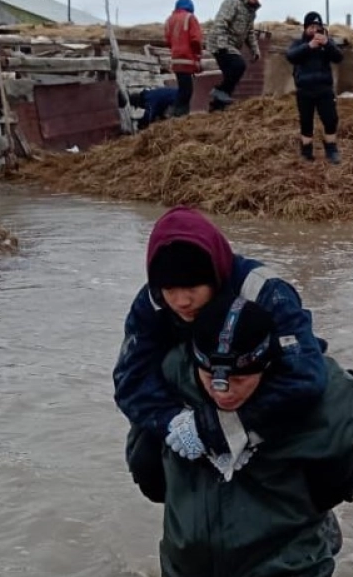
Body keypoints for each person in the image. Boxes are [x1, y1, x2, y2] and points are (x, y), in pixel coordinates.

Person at [140, 292, 353, 577]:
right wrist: (163, 489)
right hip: (190, 572)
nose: (223, 391)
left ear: (267, 364)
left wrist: (330, 490)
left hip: (286, 567)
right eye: (210, 376)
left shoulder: (310, 392)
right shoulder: (170, 381)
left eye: (239, 380)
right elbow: (143, 444)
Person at [114, 206, 330, 508]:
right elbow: (130, 380)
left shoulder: (266, 292)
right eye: (171, 289)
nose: (182, 301)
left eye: (192, 287)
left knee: (320, 464)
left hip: (262, 393)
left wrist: (220, 428)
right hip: (192, 395)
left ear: (214, 276)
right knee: (146, 465)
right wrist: (176, 423)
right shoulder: (152, 302)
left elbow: (305, 375)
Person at [285, 11, 344, 164]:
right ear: (305, 28)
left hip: (324, 89)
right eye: (311, 27)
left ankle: (331, 149)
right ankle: (306, 151)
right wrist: (309, 46)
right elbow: (290, 56)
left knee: (331, 120)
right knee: (306, 122)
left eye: (317, 27)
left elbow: (339, 57)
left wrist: (327, 44)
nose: (314, 30)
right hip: (304, 90)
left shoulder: (327, 43)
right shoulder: (298, 43)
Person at [205, 0, 263, 111]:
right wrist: (222, 45)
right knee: (239, 65)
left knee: (231, 75)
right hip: (219, 42)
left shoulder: (251, 11)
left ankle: (217, 107)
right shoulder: (234, 2)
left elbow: (249, 32)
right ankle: (218, 91)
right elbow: (221, 22)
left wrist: (255, 50)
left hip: (232, 45)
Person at [165, 0, 204, 118]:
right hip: (188, 59)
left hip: (176, 60)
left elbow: (168, 41)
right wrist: (198, 57)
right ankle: (177, 114)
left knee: (183, 88)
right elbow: (196, 40)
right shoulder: (190, 18)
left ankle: (178, 114)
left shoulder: (169, 20)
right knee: (187, 91)